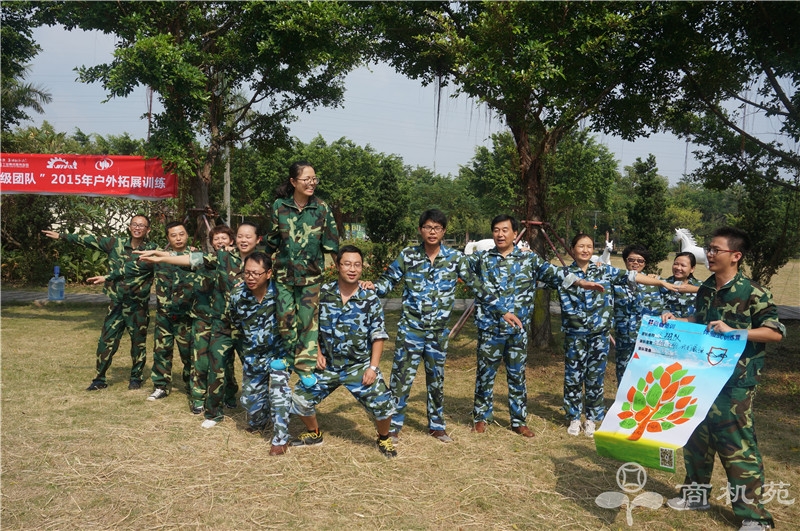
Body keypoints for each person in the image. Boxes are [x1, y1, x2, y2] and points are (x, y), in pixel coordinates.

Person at [362, 209, 522, 443]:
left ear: (444, 231)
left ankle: (436, 426)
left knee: (436, 380)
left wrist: (502, 310)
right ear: (420, 230)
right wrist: (372, 287)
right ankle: (393, 425)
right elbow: (388, 282)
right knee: (401, 380)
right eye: (428, 227)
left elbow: (477, 287)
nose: (432, 232)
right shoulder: (408, 255)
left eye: (437, 228)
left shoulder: (454, 258)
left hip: (438, 333)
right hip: (411, 329)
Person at [663, 227, 784, 531]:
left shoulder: (753, 292)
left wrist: (736, 332)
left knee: (737, 447)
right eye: (709, 248)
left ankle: (754, 517)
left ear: (736, 256)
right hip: (702, 377)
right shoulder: (706, 287)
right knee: (696, 439)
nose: (710, 254)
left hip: (735, 385)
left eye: (716, 250)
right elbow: (701, 320)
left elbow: (774, 332)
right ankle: (695, 496)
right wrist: (678, 321)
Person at [468, 215, 603, 437]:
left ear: (514, 234)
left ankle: (518, 421)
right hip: (490, 328)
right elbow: (459, 268)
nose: (500, 234)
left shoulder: (528, 259)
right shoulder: (481, 259)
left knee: (517, 376)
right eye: (496, 230)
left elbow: (556, 274)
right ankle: (481, 417)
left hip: (517, 331)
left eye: (505, 230)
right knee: (485, 374)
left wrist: (580, 281)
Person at [138, 223, 260, 428]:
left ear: (258, 239)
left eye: (248, 236)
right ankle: (213, 413)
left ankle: (258, 413)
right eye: (240, 236)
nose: (243, 240)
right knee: (215, 366)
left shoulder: (262, 261)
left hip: (250, 326)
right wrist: (161, 257)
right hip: (223, 324)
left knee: (254, 368)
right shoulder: (223, 257)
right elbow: (192, 259)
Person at [558, 233, 677, 437]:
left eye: (589, 246)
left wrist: (660, 283)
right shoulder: (562, 273)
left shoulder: (604, 271)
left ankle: (592, 418)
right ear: (573, 248)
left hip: (599, 335)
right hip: (575, 334)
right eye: (581, 246)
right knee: (573, 376)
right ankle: (574, 417)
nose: (585, 250)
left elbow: (632, 276)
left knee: (595, 377)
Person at [289, 245, 397, 458]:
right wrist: (317, 352)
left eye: (357, 265)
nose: (352, 269)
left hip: (358, 366)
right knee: (299, 399)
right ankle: (314, 433)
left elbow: (378, 335)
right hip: (327, 365)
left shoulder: (369, 298)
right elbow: (311, 324)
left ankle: (384, 438)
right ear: (337, 266)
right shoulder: (323, 293)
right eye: (347, 264)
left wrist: (373, 368)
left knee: (384, 405)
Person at [42, 215, 156, 391]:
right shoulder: (115, 243)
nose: (137, 228)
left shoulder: (151, 250)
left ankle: (136, 378)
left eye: (142, 225)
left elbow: (137, 267)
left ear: (148, 230)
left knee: (138, 343)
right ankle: (99, 379)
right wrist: (62, 236)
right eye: (134, 224)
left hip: (137, 306)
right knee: (106, 341)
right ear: (129, 227)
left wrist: (107, 277)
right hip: (116, 303)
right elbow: (89, 240)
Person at [265, 161, 339, 389]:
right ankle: (289, 359)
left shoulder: (321, 208)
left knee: (307, 322)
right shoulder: (280, 206)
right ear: (293, 181)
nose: (312, 183)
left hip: (311, 277)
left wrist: (346, 273)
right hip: (284, 275)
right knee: (285, 319)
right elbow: (271, 241)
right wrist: (259, 265)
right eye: (307, 179)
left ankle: (306, 367)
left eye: (314, 179)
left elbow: (332, 243)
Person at [227, 252, 293, 456]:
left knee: (278, 394)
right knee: (250, 402)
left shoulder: (282, 294)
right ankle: (261, 421)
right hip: (254, 355)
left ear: (269, 273)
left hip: (279, 355)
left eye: (256, 273)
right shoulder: (237, 295)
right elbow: (234, 321)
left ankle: (281, 438)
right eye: (247, 273)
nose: (250, 277)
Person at [148, 221, 195, 400]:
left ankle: (192, 385)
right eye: (173, 235)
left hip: (186, 316)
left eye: (181, 234)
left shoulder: (196, 257)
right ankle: (161, 385)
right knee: (162, 351)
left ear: (187, 235)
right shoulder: (158, 259)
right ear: (168, 238)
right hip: (164, 316)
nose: (178, 238)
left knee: (189, 354)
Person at [611, 244, 665, 385]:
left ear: (645, 263)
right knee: (623, 374)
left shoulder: (656, 283)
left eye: (640, 261)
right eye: (631, 260)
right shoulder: (616, 283)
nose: (635, 263)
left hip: (648, 340)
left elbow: (677, 295)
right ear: (625, 261)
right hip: (624, 339)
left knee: (647, 376)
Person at [660, 251, 701, 318]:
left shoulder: (701, 286)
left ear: (692, 269)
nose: (678, 268)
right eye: (676, 264)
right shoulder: (663, 284)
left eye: (683, 265)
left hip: (690, 324)